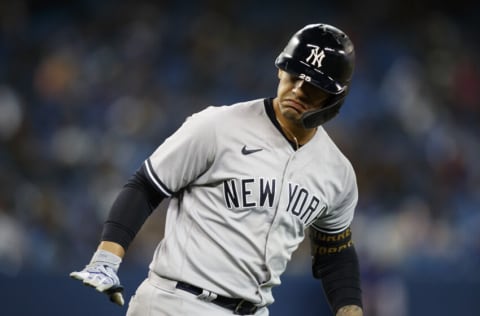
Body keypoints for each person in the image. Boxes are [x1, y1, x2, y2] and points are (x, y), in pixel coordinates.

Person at [71, 23, 363, 316]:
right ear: (279, 70)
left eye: (313, 85)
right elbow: (146, 186)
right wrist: (107, 258)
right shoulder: (217, 126)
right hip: (177, 303)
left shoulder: (337, 172)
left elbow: (334, 250)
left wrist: (350, 308)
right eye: (293, 75)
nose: (298, 90)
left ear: (334, 97)